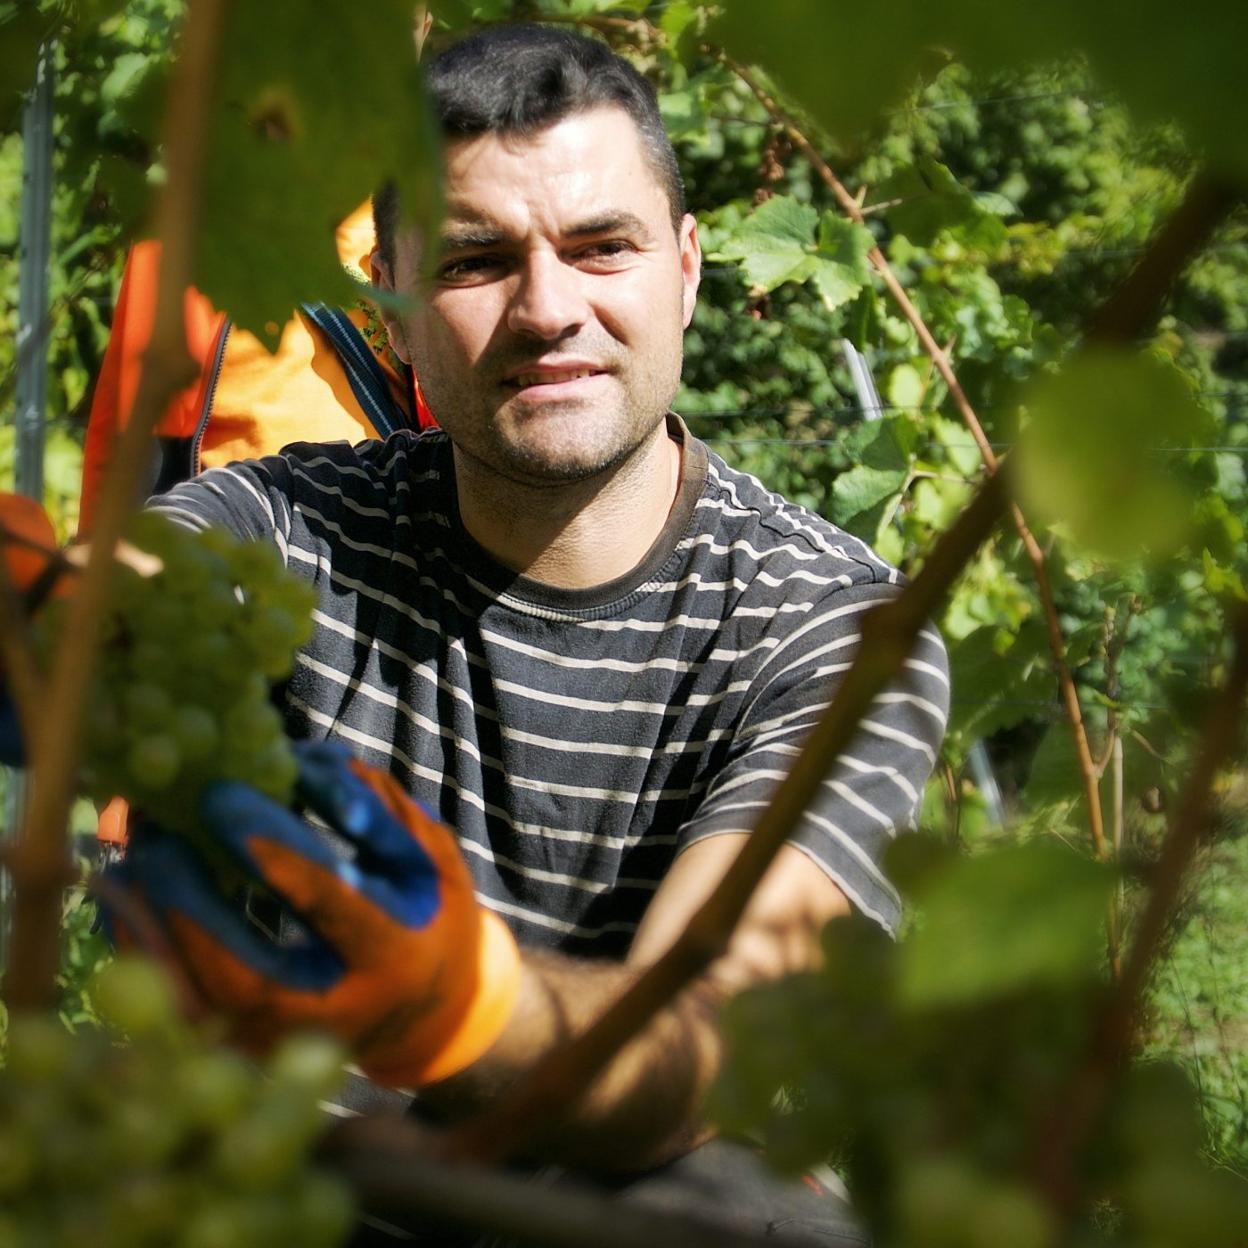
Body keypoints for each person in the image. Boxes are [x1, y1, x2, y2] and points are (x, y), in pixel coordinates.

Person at [107, 24, 949, 1245]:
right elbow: (144, 573)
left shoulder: (832, 625)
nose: (549, 310)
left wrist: (454, 1004)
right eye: (473, 261)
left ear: (689, 270)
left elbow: (699, 1058)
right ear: (388, 310)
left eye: (603, 246)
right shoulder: (291, 525)